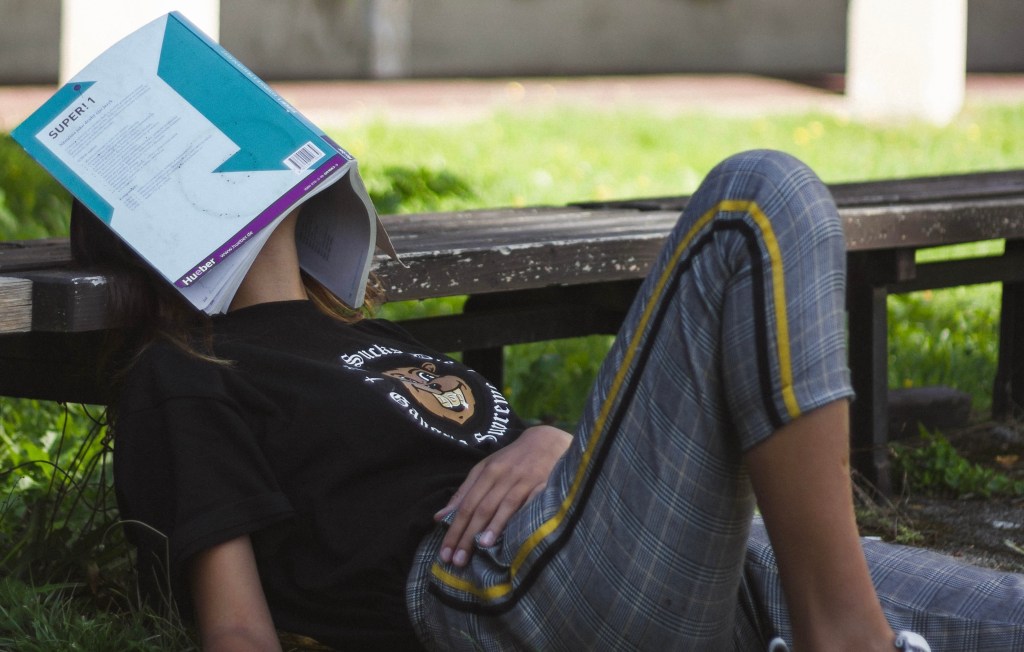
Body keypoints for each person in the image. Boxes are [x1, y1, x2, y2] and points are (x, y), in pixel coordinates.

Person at [73, 149, 1024, 651]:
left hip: (688, 559)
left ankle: (832, 623)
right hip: (509, 593)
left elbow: (494, 452)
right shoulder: (186, 372)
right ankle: (844, 640)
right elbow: (237, 627)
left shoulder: (368, 336)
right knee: (758, 197)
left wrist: (550, 439)